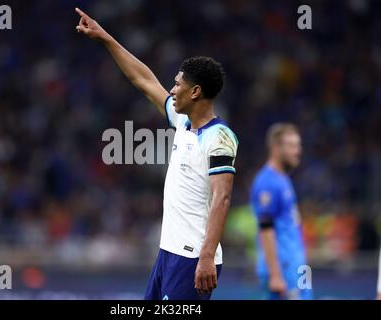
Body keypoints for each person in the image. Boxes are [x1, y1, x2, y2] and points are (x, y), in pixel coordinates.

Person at [75, 7, 238, 300]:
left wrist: (206, 256)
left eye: (177, 84)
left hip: (193, 259)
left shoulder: (220, 138)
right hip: (168, 254)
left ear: (196, 92)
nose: (172, 90)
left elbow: (222, 198)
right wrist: (106, 38)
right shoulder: (182, 121)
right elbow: (144, 80)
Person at [250, 123, 312, 300]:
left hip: (297, 267)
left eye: (298, 145)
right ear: (276, 148)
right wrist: (275, 275)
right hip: (283, 270)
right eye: (292, 146)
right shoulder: (267, 182)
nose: (298, 151)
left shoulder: (283, 179)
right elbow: (266, 230)